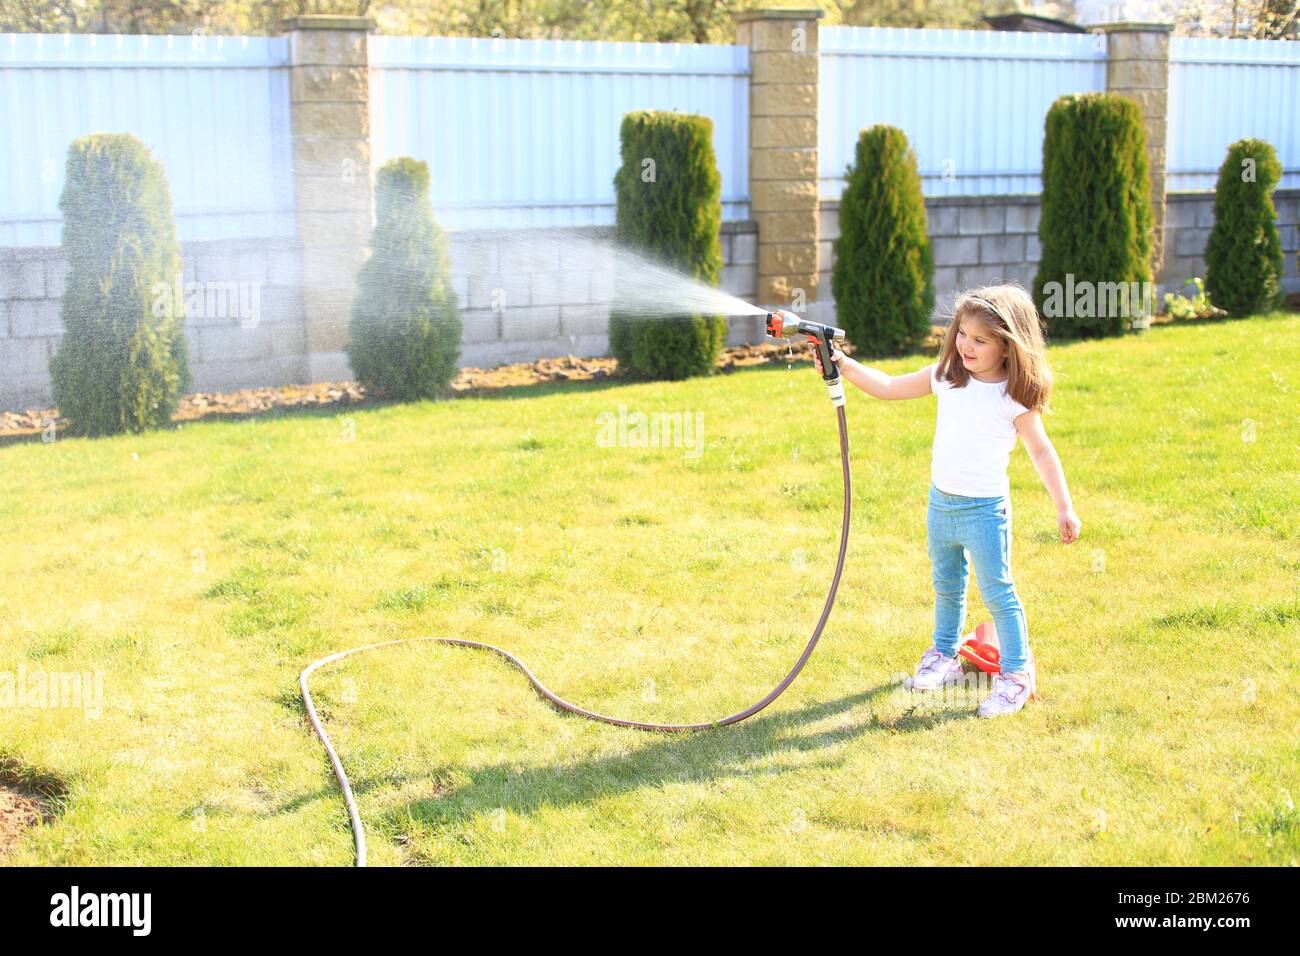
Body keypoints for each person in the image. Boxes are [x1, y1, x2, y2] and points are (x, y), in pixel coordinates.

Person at [808, 285, 1080, 717]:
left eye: (981, 340)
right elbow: (890, 386)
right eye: (963, 334)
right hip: (942, 505)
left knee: (998, 592)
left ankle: (1016, 675)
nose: (966, 345)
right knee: (947, 585)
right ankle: (945, 655)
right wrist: (842, 363)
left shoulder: (1013, 397)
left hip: (985, 512)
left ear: (1008, 347)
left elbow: (1042, 451)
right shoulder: (946, 376)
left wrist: (1063, 506)